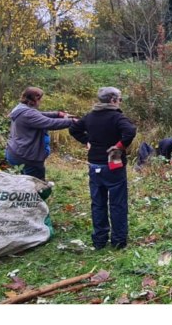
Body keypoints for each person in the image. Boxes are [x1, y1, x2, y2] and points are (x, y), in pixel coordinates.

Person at [68, 86, 138, 250]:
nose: (120, 102)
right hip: (113, 164)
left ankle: (99, 241)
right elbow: (130, 131)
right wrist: (118, 146)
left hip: (94, 165)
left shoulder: (90, 116)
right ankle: (118, 241)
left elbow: (73, 129)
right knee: (117, 203)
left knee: (97, 203)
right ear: (113, 100)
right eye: (120, 99)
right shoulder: (117, 117)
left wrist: (87, 141)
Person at [4, 86, 74, 180]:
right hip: (27, 157)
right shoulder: (28, 114)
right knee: (37, 184)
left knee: (24, 181)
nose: (41, 101)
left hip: (16, 152)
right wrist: (72, 121)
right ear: (35, 99)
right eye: (40, 99)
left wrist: (57, 114)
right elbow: (50, 123)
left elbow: (39, 115)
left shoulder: (20, 109)